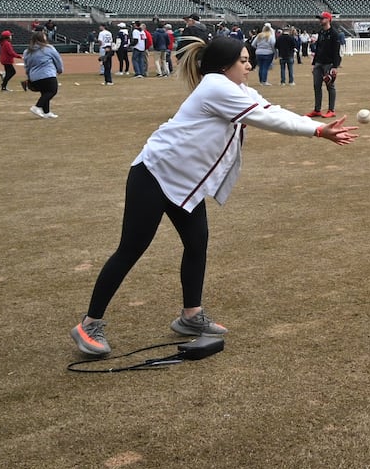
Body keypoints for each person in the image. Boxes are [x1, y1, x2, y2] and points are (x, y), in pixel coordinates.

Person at [69, 35, 355, 358]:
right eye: (243, 61)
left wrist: (314, 126)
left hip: (182, 184)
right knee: (131, 248)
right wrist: (316, 130)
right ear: (224, 66)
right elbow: (265, 118)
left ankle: (191, 316)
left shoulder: (237, 90)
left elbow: (271, 108)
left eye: (249, 61)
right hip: (154, 175)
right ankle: (89, 324)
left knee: (197, 243)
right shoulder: (216, 86)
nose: (249, 66)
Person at [309, 12, 342, 117]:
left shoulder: (334, 34)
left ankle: (331, 110)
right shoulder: (321, 32)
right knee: (316, 86)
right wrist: (314, 63)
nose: (320, 20)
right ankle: (317, 109)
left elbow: (336, 51)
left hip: (329, 64)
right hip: (319, 63)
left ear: (328, 19)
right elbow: (318, 49)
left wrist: (335, 67)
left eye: (322, 19)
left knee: (330, 86)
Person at [25, 29, 65, 118]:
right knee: (52, 91)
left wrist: (29, 76)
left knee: (45, 93)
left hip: (34, 77)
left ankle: (46, 112)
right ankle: (37, 107)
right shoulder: (48, 48)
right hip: (47, 74)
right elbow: (57, 59)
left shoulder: (27, 51)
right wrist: (60, 70)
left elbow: (27, 66)